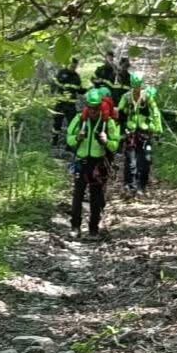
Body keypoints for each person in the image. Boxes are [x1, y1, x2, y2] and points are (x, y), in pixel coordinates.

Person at [66, 88, 121, 240]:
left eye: (96, 108)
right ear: (86, 106)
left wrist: (106, 141)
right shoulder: (79, 119)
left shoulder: (108, 122)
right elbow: (69, 138)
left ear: (100, 107)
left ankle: (93, 230)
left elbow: (115, 145)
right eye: (90, 108)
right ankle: (75, 227)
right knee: (78, 195)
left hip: (98, 164)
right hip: (81, 162)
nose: (93, 111)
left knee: (96, 197)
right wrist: (77, 138)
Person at [118, 75, 163, 197]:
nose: (137, 90)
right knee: (130, 161)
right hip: (131, 133)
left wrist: (158, 130)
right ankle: (129, 186)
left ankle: (141, 186)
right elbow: (119, 112)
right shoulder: (126, 97)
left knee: (145, 161)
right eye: (134, 87)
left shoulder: (148, 97)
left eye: (138, 87)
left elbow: (155, 113)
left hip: (145, 133)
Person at [51, 56, 83, 150]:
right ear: (68, 65)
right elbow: (54, 85)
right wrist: (53, 94)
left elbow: (79, 90)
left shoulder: (77, 77)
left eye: (75, 67)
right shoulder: (62, 73)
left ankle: (69, 145)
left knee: (72, 125)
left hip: (71, 105)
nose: (73, 68)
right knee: (57, 123)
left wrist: (88, 89)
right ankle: (54, 141)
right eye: (72, 66)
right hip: (60, 103)